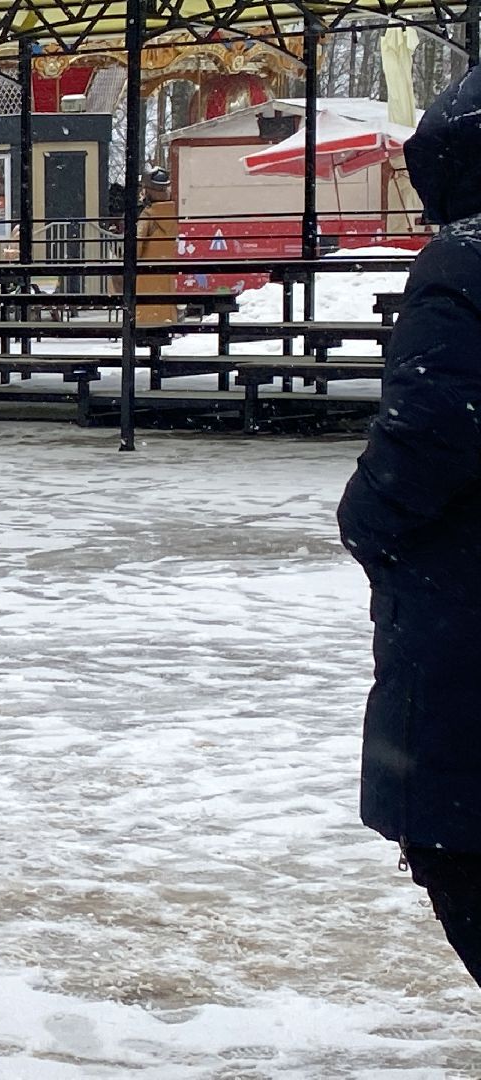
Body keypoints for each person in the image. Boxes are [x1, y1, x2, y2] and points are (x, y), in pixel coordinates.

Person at [337, 67, 481, 990]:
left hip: (464, 607)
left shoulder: (463, 266)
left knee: (459, 850)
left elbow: (432, 427)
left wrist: (368, 520)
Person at [134, 168, 180, 326]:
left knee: (147, 321)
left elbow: (135, 250)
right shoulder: (172, 214)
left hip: (147, 278)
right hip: (166, 277)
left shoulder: (147, 216)